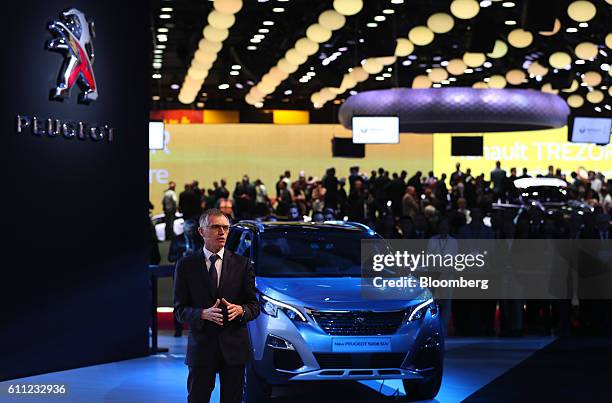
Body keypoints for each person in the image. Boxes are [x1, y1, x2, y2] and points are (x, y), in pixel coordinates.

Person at [174, 209, 259, 403]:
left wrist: (241, 310)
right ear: (201, 232)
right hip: (202, 349)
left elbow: (254, 305)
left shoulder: (243, 264)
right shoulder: (186, 265)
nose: (221, 232)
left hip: (234, 349)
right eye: (215, 227)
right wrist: (202, 314)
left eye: (225, 228)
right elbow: (179, 311)